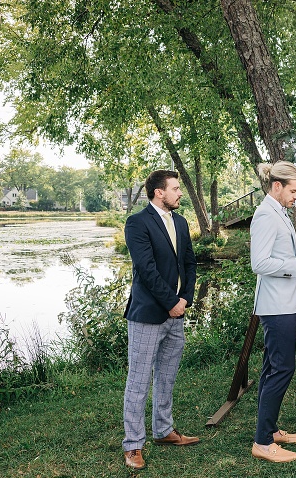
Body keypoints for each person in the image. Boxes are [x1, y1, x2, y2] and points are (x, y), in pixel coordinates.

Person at [122, 170, 199, 470]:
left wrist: (185, 300)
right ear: (159, 193)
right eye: (176, 189)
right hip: (148, 315)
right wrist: (170, 303)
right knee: (139, 381)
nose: (180, 193)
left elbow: (189, 263)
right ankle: (133, 445)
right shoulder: (137, 223)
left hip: (176, 314)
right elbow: (146, 269)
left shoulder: (180, 222)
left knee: (166, 377)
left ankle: (164, 430)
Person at [250, 161, 296, 463]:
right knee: (282, 369)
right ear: (276, 186)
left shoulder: (279, 211)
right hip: (275, 306)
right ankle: (263, 443)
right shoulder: (266, 214)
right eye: (293, 191)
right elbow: (260, 263)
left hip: (283, 304)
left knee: (271, 369)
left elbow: (276, 255)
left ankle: (270, 430)